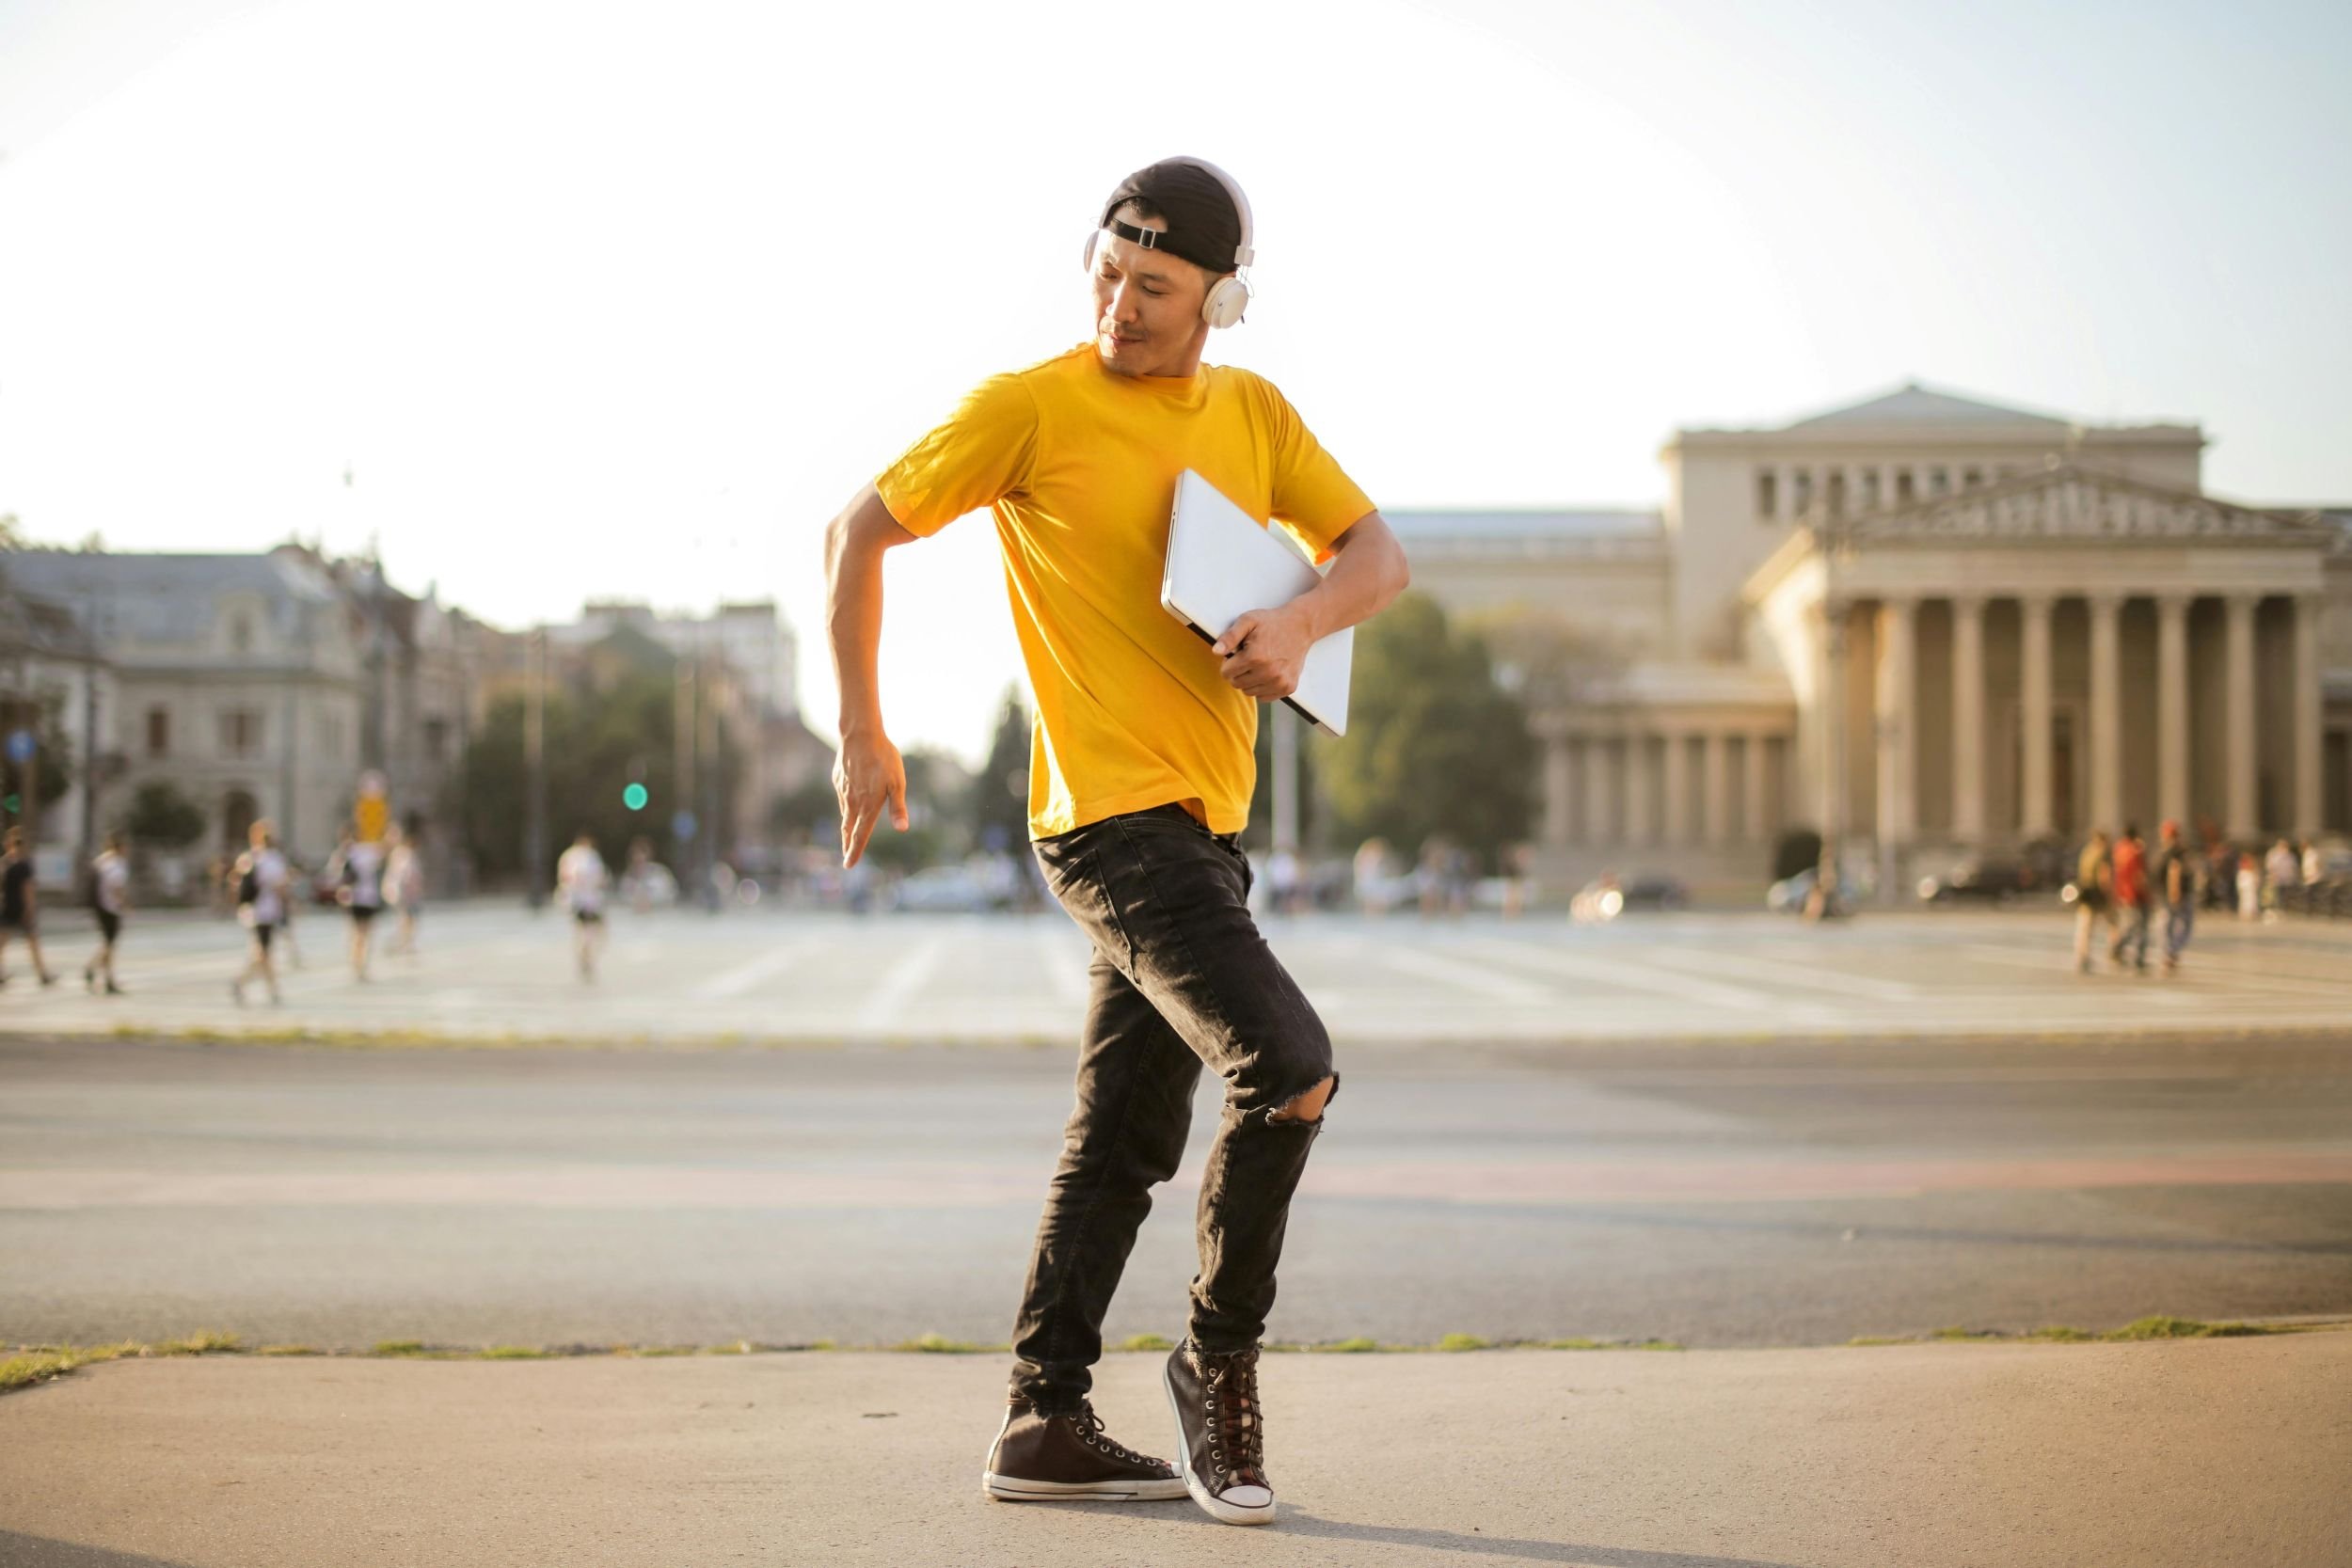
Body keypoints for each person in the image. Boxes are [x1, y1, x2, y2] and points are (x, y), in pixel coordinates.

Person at [824, 156, 1408, 1528]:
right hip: (1104, 818)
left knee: (1124, 1137)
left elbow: (1376, 551)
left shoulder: (1255, 413)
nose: (1119, 306)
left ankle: (1043, 1415)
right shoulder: (1031, 407)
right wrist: (864, 729)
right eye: (1106, 273)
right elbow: (858, 531)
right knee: (1291, 1066)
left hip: (1203, 828)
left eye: (1153, 288)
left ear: (1222, 298)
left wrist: (1305, 620)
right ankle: (1217, 1360)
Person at [230, 820, 291, 1006]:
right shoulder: (273, 859)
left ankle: (272, 989)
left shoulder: (247, 858)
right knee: (263, 953)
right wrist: (286, 909)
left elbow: (235, 883)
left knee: (263, 952)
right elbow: (281, 888)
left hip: (251, 912)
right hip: (267, 912)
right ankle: (243, 982)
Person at [324, 826, 387, 980]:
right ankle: (361, 964)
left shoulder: (347, 854)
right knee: (365, 933)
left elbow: (333, 875)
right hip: (367, 898)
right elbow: (384, 853)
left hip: (353, 898)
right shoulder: (367, 851)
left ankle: (356, 963)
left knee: (356, 933)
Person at [0, 826, 59, 987]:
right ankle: (42, 975)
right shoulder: (24, 865)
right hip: (21, 908)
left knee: (2, 943)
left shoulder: (4, 863)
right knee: (33, 943)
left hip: (7, 907)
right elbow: (28, 890)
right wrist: (30, 910)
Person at [555, 832, 609, 980]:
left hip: (573, 899)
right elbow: (597, 877)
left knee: (582, 931)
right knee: (593, 931)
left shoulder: (568, 855)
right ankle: (586, 956)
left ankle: (584, 955)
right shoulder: (589, 857)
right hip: (587, 901)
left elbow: (564, 876)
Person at [85, 832, 131, 995]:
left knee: (107, 944)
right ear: (120, 847)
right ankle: (105, 978)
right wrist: (124, 905)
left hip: (98, 907)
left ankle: (97, 972)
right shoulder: (117, 864)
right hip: (111, 908)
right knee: (110, 945)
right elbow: (116, 886)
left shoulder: (101, 861)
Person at [2107, 823, 2151, 974]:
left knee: (2131, 924)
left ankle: (2119, 947)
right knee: (2139, 926)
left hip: (2122, 893)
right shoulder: (2135, 850)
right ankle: (2135, 955)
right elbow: (2139, 875)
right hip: (2136, 894)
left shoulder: (2119, 849)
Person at [2072, 830, 2115, 974]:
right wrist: (2109, 894)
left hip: (2086, 892)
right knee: (2113, 924)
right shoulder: (2103, 854)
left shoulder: (2087, 852)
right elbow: (2105, 875)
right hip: (2098, 894)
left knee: (2084, 927)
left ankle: (2081, 956)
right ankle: (2114, 951)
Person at [2155, 819, 2196, 975]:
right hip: (2175, 894)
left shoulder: (2174, 851)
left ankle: (2169, 952)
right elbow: (2174, 871)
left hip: (2172, 894)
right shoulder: (2175, 852)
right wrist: (2174, 892)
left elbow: (2174, 871)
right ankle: (2170, 952)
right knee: (2178, 924)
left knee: (2169, 925)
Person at [383, 825, 425, 956]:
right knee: (405, 919)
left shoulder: (411, 855)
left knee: (410, 919)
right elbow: (399, 874)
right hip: (402, 893)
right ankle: (400, 943)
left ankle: (406, 943)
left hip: (412, 894)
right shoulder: (400, 853)